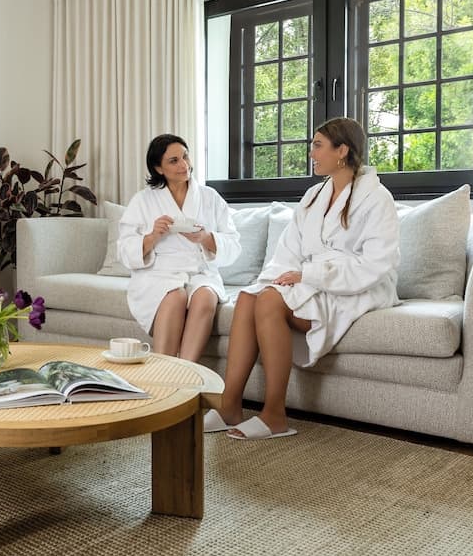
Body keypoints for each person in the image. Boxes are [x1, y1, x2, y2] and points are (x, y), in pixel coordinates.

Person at [210, 117, 400, 439]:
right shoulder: (314, 195)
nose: (311, 153)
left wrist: (309, 274)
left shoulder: (377, 198)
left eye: (318, 145)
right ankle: (230, 406)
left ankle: (274, 415)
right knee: (249, 297)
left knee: (268, 302)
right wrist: (275, 279)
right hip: (313, 279)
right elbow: (288, 250)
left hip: (356, 286)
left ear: (342, 150)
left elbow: (375, 264)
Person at [117, 134, 241, 362]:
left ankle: (186, 371)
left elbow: (234, 244)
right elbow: (124, 250)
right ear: (159, 168)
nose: (184, 165)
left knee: (205, 296)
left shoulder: (210, 197)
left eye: (185, 156)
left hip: (201, 272)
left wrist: (205, 238)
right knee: (175, 296)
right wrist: (152, 236)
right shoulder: (143, 200)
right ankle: (164, 369)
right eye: (174, 161)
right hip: (158, 274)